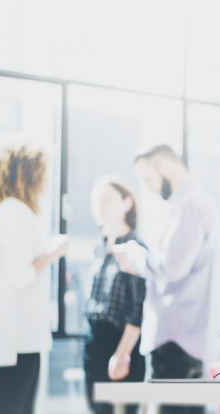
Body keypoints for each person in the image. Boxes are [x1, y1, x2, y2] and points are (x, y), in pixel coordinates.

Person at [113, 145, 220, 414]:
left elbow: (172, 266)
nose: (148, 189)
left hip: (175, 340)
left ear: (167, 168)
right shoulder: (191, 203)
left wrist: (134, 257)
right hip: (183, 339)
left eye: (148, 179)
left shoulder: (189, 205)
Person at [0, 143, 68, 414]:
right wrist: (53, 252)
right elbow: (21, 274)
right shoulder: (16, 211)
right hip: (19, 340)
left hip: (11, 338)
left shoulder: (3, 210)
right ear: (29, 173)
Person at [84, 176, 147, 414]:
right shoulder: (99, 249)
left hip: (121, 345)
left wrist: (122, 353)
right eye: (95, 200)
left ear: (127, 203)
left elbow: (138, 308)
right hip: (93, 344)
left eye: (106, 199)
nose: (99, 206)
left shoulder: (135, 250)